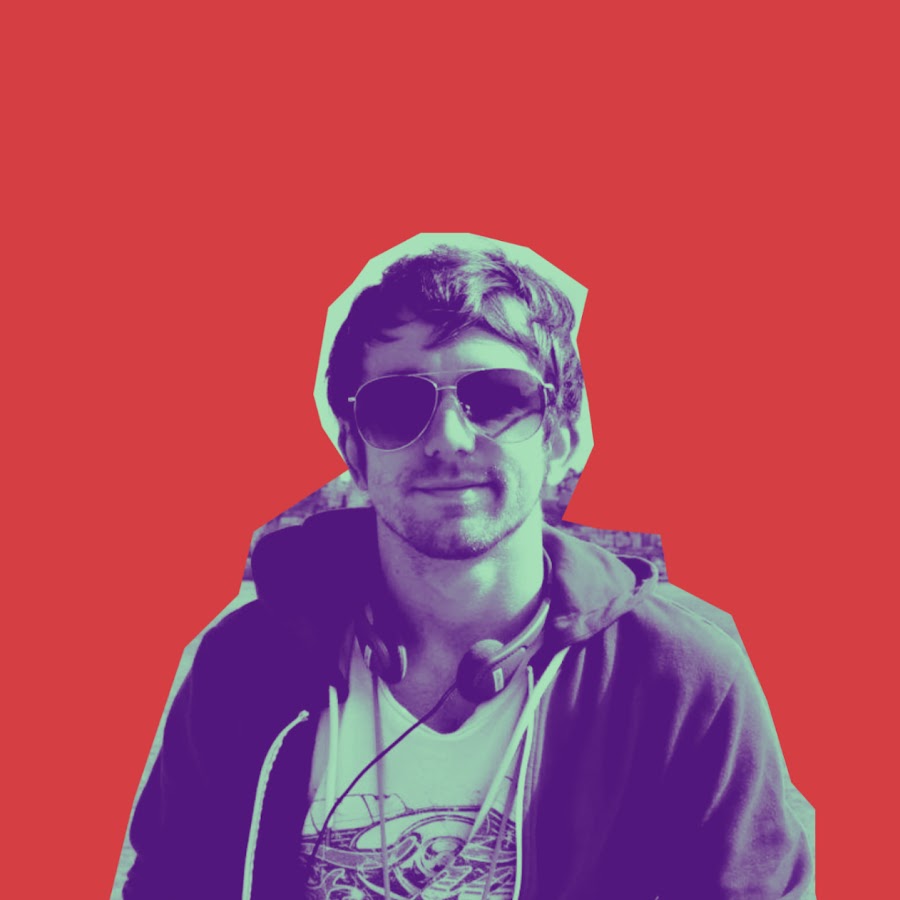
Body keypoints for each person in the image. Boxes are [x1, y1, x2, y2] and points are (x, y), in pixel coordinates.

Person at [122, 236, 812, 899]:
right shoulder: (243, 663)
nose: (449, 439)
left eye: (498, 398)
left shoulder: (682, 677)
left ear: (562, 439)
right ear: (355, 453)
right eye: (398, 406)